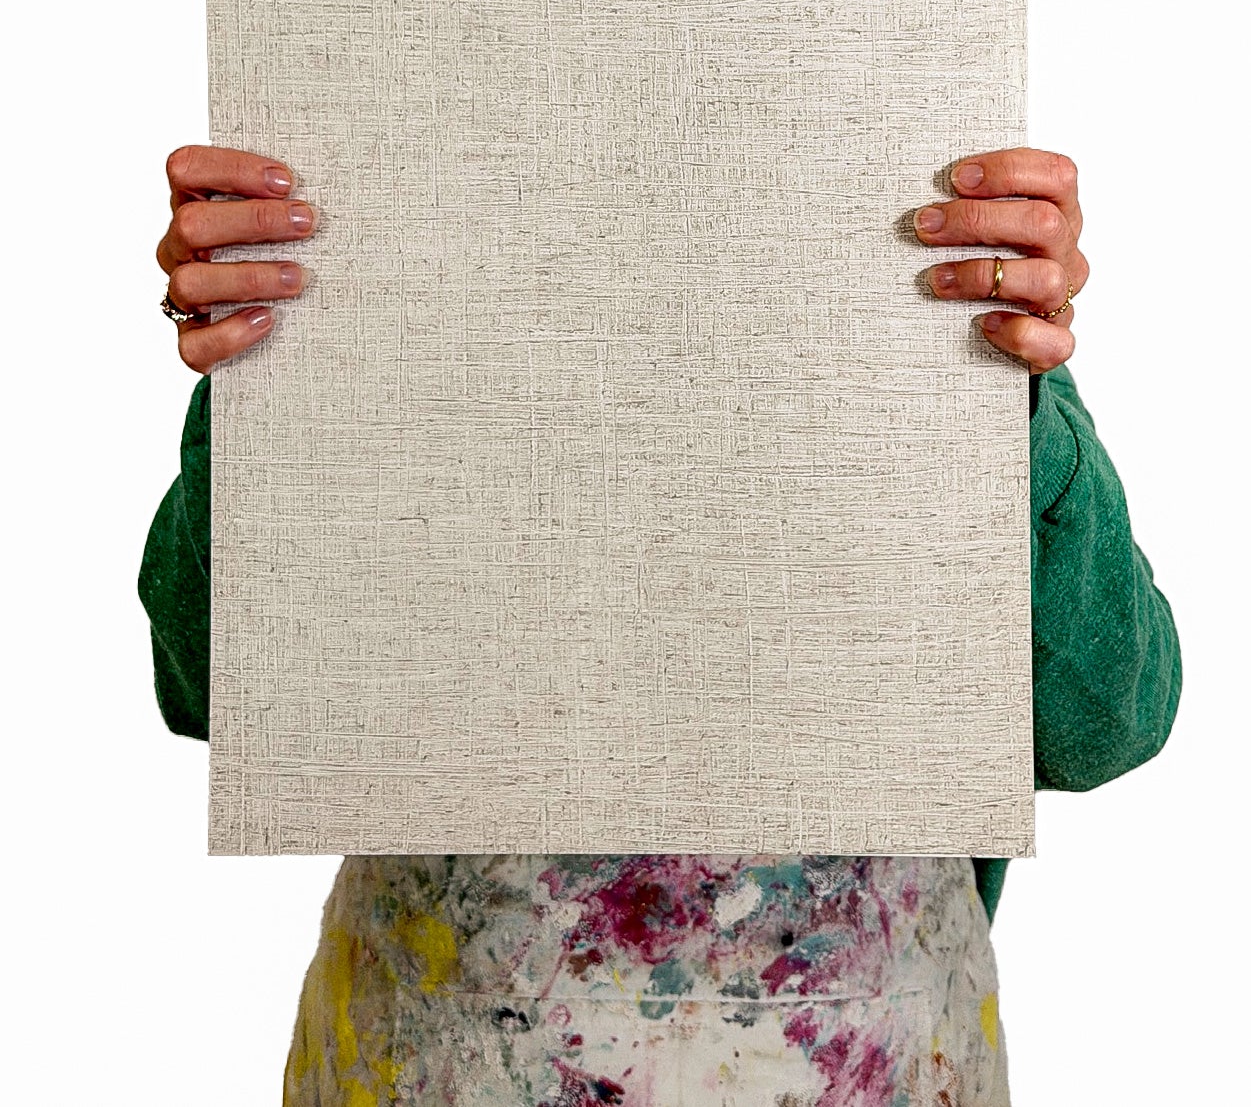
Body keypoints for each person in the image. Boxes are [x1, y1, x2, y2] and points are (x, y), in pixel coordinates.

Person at [140, 141, 1182, 1106]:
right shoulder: (414, 297)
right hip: (442, 1052)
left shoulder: (931, 300)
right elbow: (211, 694)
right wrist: (259, 377)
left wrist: (1001, 401)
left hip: (875, 1062)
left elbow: (1104, 726)